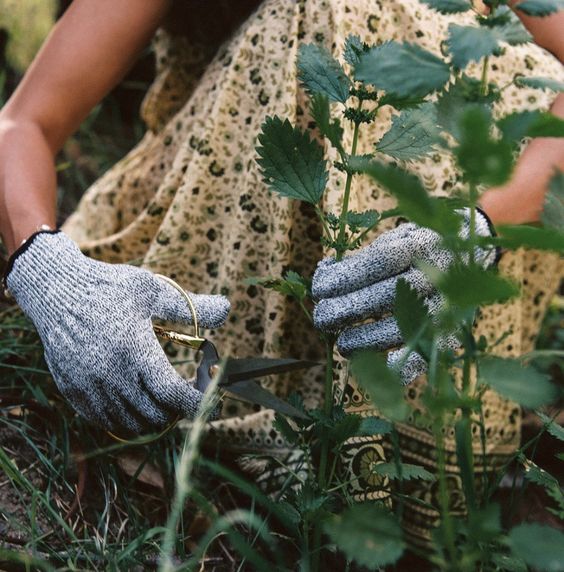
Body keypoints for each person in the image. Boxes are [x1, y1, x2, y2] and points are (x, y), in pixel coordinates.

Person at [0, 0, 562, 547]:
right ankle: (282, 422)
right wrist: (47, 270)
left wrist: (483, 226)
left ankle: (398, 445)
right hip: (227, 223)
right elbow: (24, 120)